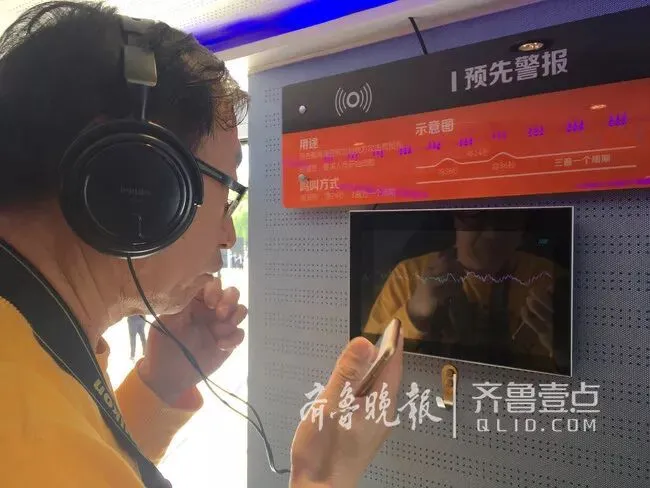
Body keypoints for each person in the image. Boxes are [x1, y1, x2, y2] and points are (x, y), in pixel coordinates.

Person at [0, 2, 404, 487]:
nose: (228, 235)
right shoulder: (34, 438)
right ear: (134, 179)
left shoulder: (28, 351)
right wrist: (323, 474)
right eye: (226, 191)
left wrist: (159, 385)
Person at [363, 210, 569, 372]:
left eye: (507, 219)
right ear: (456, 219)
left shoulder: (550, 279)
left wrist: (563, 350)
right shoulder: (409, 275)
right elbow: (367, 365)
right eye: (476, 217)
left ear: (522, 229)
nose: (492, 234)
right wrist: (414, 313)